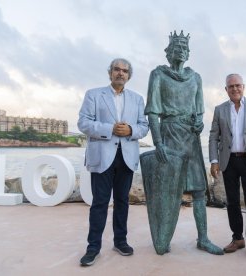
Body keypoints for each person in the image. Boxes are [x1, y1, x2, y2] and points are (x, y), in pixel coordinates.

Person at [143, 30, 223, 255]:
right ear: (168, 53)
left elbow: (199, 111)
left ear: (189, 53)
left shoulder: (195, 77)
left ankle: (203, 239)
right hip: (169, 135)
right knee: (167, 190)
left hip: (190, 138)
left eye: (184, 48)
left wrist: (199, 123)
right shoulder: (158, 75)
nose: (180, 51)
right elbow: (152, 112)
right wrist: (158, 143)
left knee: (199, 190)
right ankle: (163, 237)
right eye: (176, 47)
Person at [77, 58, 149, 266]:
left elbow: (144, 126)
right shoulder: (93, 94)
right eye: (116, 70)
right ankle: (93, 248)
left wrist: (131, 130)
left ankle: (120, 241)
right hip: (102, 156)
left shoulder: (137, 99)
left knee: (123, 202)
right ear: (110, 73)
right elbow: (83, 122)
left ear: (128, 76)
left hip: (126, 157)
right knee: (99, 203)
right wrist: (109, 128)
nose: (120, 73)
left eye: (124, 71)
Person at [208, 73, 246, 263]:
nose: (235, 89)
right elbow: (213, 136)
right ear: (226, 90)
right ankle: (237, 239)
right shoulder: (219, 110)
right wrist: (214, 161)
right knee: (232, 202)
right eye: (231, 86)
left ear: (243, 87)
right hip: (229, 161)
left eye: (238, 85)